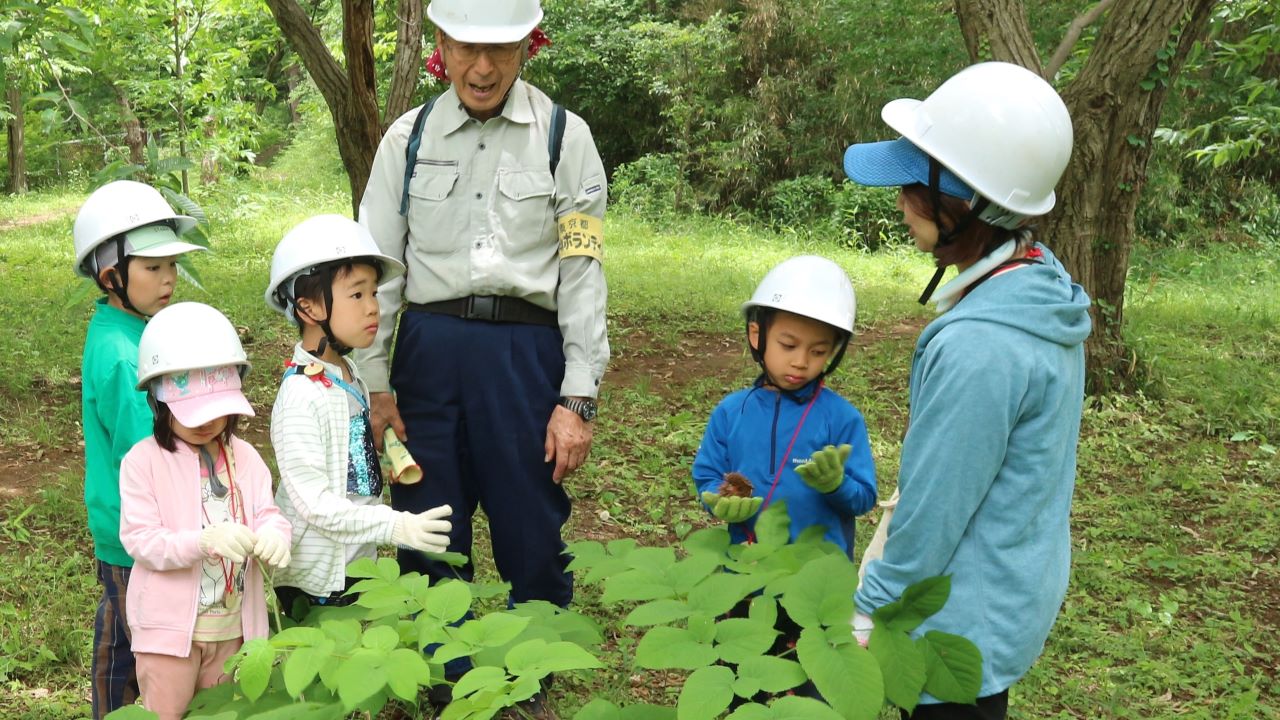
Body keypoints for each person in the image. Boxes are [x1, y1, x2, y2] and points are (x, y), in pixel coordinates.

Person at [843, 61, 1091, 719]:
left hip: (949, 628)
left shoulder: (979, 346)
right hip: (1005, 597)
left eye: (910, 185)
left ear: (965, 204)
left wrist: (871, 608)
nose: (898, 201)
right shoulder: (1040, 287)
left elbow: (934, 508)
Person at [355, 0, 608, 613]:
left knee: (531, 518)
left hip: (524, 357)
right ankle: (446, 674)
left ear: (530, 43)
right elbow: (377, 270)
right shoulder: (405, 138)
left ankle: (537, 667)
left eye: (501, 49)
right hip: (427, 354)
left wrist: (577, 396)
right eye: (468, 48)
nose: (484, 67)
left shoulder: (563, 136)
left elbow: (582, 270)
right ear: (441, 44)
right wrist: (375, 384)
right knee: (426, 517)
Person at [265, 215, 453, 617]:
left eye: (374, 293)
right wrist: (396, 525)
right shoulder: (301, 394)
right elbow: (314, 504)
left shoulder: (348, 376)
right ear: (308, 306)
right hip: (316, 578)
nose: (374, 308)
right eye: (356, 295)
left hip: (354, 561)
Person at [72, 179, 207, 718]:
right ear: (112, 275)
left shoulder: (118, 331)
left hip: (116, 525)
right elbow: (151, 453)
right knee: (153, 648)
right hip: (142, 533)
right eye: (153, 268)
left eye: (171, 265)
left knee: (117, 642)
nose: (169, 277)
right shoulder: (126, 358)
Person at [117, 301, 291, 720]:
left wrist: (274, 536)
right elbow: (141, 539)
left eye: (216, 411)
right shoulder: (143, 462)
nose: (205, 423)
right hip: (170, 635)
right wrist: (203, 541)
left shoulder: (245, 458)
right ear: (158, 401)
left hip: (233, 628)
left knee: (223, 713)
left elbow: (268, 512)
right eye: (191, 411)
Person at [692, 255, 877, 556]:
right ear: (757, 334)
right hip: (745, 571)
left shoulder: (842, 419)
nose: (801, 362)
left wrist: (836, 484)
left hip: (814, 578)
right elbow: (708, 476)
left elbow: (864, 498)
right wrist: (721, 499)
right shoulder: (730, 412)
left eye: (818, 351)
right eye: (788, 345)